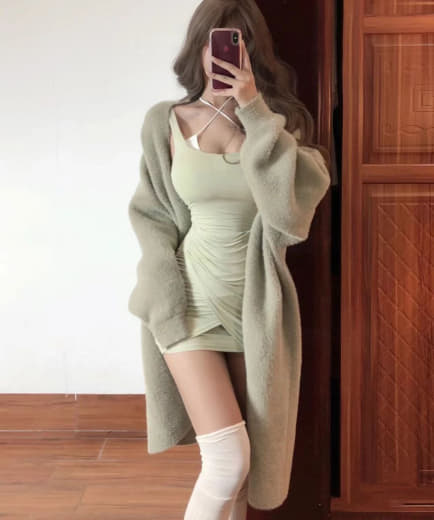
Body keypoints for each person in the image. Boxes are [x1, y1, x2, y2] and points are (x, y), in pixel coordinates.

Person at [128, 1, 331, 518]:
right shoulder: (166, 121)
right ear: (198, 46)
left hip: (254, 309)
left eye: (239, 42)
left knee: (244, 471)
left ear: (253, 50)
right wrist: (161, 295)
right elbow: (153, 216)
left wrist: (254, 111)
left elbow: (289, 219)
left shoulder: (280, 127)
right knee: (226, 461)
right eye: (216, 40)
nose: (224, 54)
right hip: (187, 303)